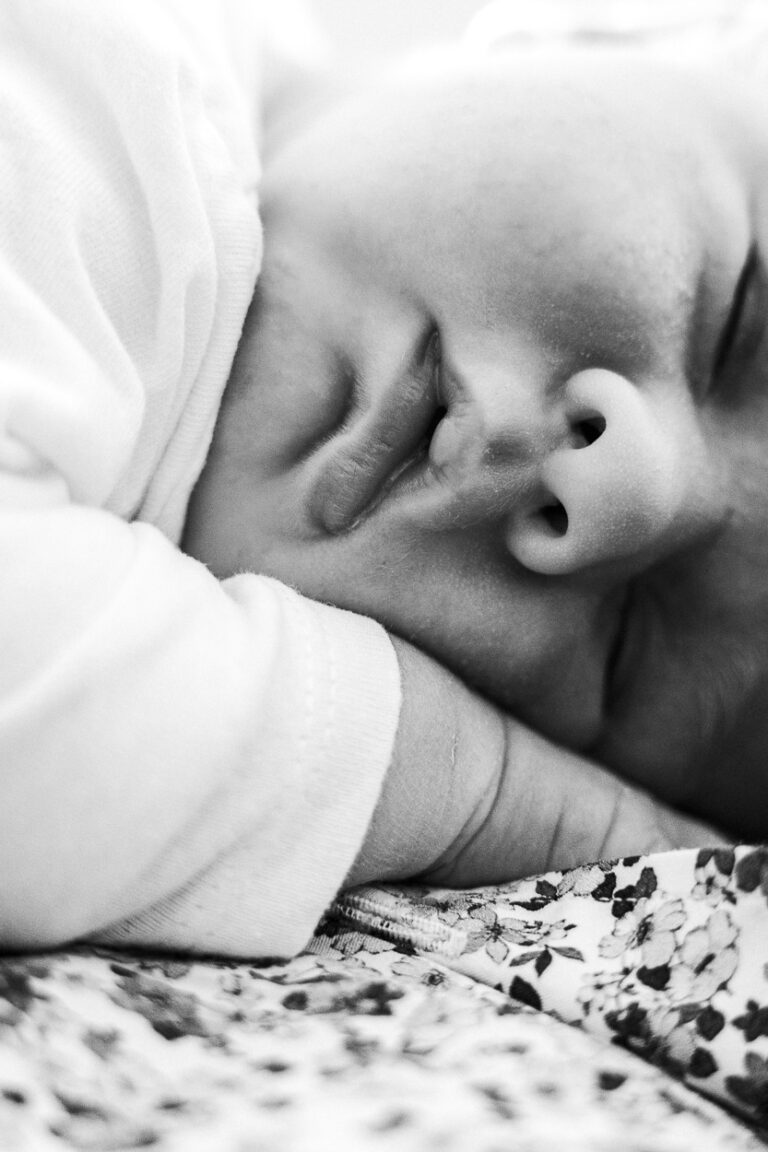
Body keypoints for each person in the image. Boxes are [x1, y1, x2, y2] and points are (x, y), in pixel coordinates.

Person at [0, 0, 737, 960]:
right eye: (738, 323)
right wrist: (483, 789)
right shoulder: (106, 74)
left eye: (632, 650)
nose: (624, 482)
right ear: (600, 29)